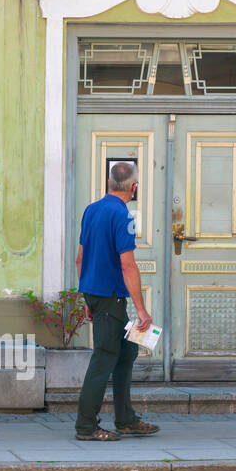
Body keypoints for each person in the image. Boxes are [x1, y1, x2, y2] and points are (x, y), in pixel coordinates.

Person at [74, 160, 160, 441]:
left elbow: (80, 258)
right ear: (133, 187)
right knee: (104, 357)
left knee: (127, 354)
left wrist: (87, 297)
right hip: (112, 298)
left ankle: (126, 419)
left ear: (110, 183)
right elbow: (128, 266)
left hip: (98, 295)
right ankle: (86, 426)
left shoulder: (91, 210)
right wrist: (141, 309)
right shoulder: (123, 215)